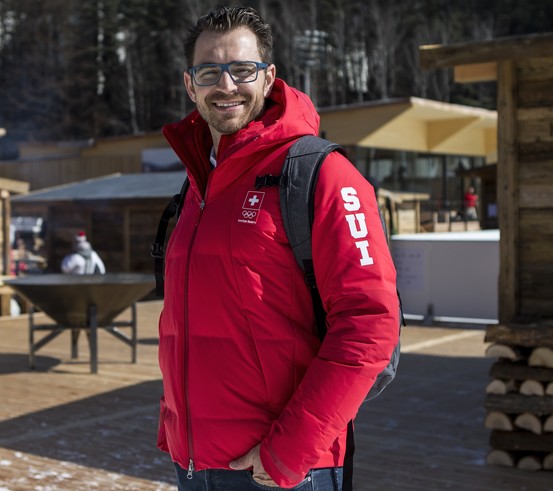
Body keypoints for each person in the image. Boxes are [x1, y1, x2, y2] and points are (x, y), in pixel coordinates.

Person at [157, 6, 399, 490]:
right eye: (209, 71)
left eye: (241, 69)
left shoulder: (319, 174)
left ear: (268, 77)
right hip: (195, 464)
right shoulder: (195, 186)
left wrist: (288, 454)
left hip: (282, 472)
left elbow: (370, 324)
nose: (226, 85)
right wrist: (174, 431)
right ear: (190, 85)